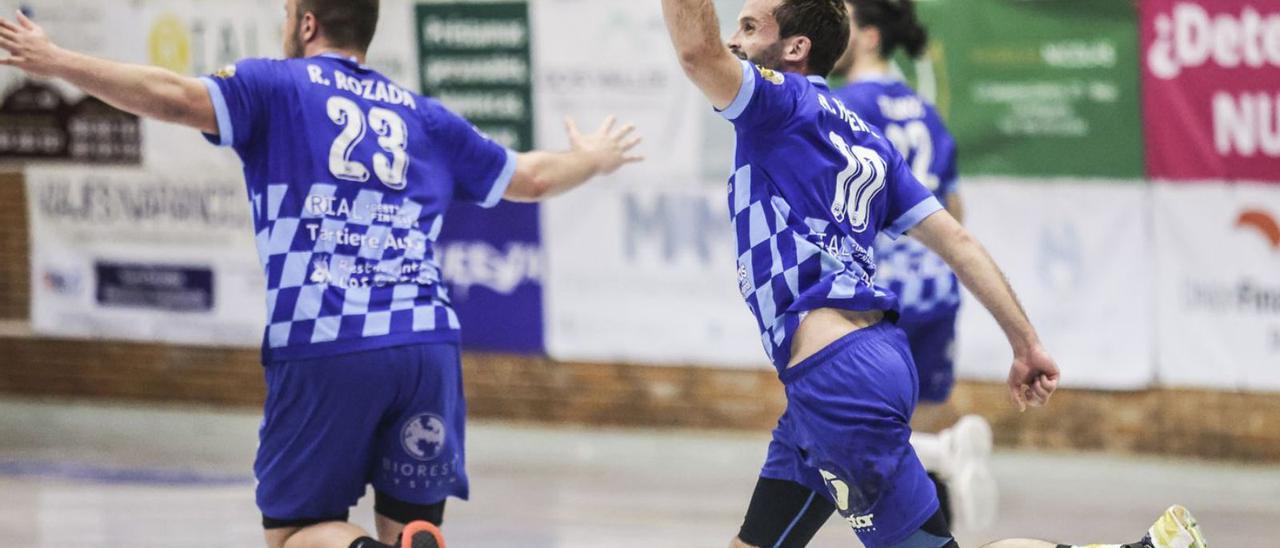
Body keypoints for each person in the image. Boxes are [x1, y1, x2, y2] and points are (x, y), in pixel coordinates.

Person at [0, 2, 641, 548]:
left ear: (307, 24)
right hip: (429, 345)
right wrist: (592, 157)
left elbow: (171, 97)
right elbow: (529, 178)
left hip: (329, 339)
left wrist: (55, 60)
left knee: (296, 529)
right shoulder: (424, 115)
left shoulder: (275, 85)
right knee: (411, 521)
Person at [657, 1, 1206, 547]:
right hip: (860, 363)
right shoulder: (869, 142)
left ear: (796, 49)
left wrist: (1026, 344)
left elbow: (695, 48)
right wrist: (1026, 343)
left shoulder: (774, 104)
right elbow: (959, 240)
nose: (734, 40)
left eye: (750, 27)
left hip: (837, 377)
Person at [831, 0, 994, 530]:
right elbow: (956, 210)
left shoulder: (847, 106)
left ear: (870, 37)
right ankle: (943, 479)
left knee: (847, 432)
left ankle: (946, 458)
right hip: (937, 288)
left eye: (844, 21)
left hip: (880, 296)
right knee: (912, 429)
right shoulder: (923, 108)